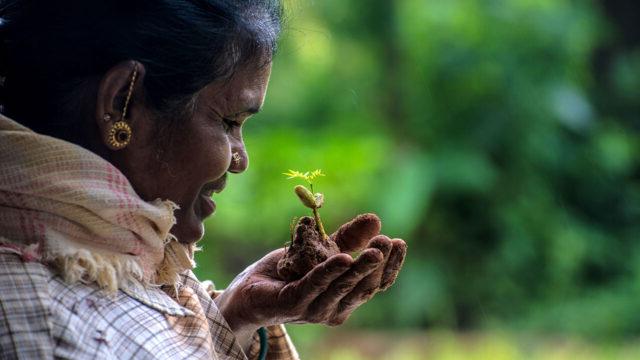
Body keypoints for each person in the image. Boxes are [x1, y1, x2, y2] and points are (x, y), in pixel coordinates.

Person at [0, 0, 407, 359]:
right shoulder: (47, 332)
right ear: (121, 101)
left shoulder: (123, 262)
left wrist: (239, 314)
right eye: (229, 121)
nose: (240, 159)